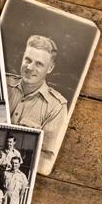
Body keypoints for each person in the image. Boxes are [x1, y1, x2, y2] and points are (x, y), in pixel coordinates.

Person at [6, 35, 68, 175]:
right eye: (27, 60)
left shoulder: (56, 107)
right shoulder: (3, 83)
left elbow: (46, 160)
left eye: (39, 64)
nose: (30, 67)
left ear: (50, 68)